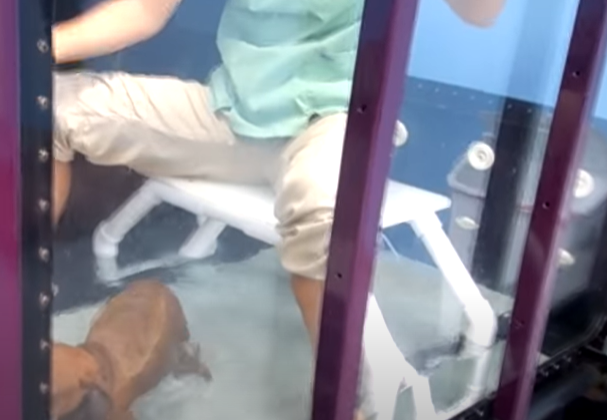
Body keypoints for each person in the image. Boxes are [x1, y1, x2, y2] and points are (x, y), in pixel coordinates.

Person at [50, 0, 505, 405]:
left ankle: (346, 402)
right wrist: (41, 50)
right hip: (232, 114)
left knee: (320, 212)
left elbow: (482, 13)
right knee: (51, 107)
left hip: (334, 121)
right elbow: (143, 10)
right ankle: (18, 297)